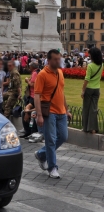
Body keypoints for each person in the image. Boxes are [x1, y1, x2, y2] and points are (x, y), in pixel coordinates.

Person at [34, 49, 72, 179]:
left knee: (63, 137)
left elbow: (61, 92)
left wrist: (66, 110)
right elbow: (37, 96)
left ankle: (41, 154)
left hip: (61, 111)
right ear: (49, 60)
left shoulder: (60, 73)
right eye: (55, 59)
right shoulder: (42, 74)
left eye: (59, 58)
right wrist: (39, 115)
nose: (58, 61)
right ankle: (52, 167)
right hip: (49, 112)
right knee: (50, 140)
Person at [81, 47, 103, 134]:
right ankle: (93, 128)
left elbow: (87, 79)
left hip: (89, 88)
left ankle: (86, 127)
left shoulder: (90, 66)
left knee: (86, 108)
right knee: (94, 109)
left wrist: (83, 90)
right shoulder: (101, 65)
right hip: (97, 88)